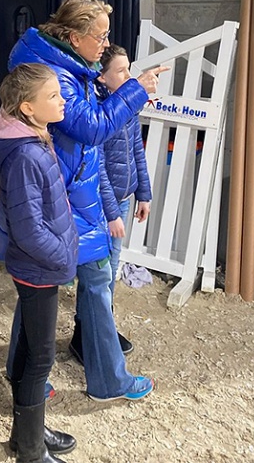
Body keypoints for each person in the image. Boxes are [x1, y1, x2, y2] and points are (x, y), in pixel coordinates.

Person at [8, 0, 168, 401]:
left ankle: (24, 371)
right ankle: (108, 380)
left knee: (44, 287)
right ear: (73, 36)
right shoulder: (57, 74)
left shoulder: (68, 65)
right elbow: (92, 128)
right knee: (81, 283)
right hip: (66, 195)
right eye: (99, 36)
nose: (104, 43)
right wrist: (134, 91)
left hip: (72, 191)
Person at [0, 63, 78, 462]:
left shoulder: (36, 139)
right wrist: (64, 259)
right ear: (27, 108)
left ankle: (28, 434)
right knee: (40, 356)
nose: (62, 101)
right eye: (53, 96)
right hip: (38, 268)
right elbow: (29, 230)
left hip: (39, 267)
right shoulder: (25, 156)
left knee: (28, 347)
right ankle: (30, 451)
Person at [94, 43, 152, 356]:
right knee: (99, 273)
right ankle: (97, 334)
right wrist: (112, 212)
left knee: (112, 269)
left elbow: (136, 151)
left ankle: (103, 328)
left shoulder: (127, 106)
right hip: (106, 208)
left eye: (130, 68)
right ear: (102, 79)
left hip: (124, 200)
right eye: (121, 71)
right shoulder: (99, 113)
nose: (129, 76)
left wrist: (143, 192)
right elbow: (98, 166)